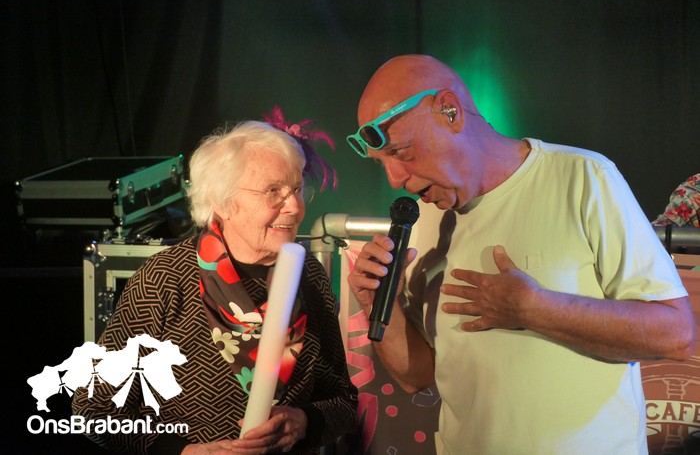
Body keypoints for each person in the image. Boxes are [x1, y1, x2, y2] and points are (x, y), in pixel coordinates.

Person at [346, 54, 696, 454]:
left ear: (450, 111)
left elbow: (676, 334)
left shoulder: (583, 177)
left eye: (402, 152)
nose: (395, 179)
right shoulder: (426, 219)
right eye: (382, 164)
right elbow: (418, 375)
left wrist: (535, 309)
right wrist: (381, 307)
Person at [72, 115, 357, 454]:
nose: (295, 207)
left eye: (296, 190)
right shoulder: (166, 278)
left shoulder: (309, 275)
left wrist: (304, 422)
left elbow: (343, 402)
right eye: (273, 192)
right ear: (222, 202)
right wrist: (182, 451)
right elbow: (94, 410)